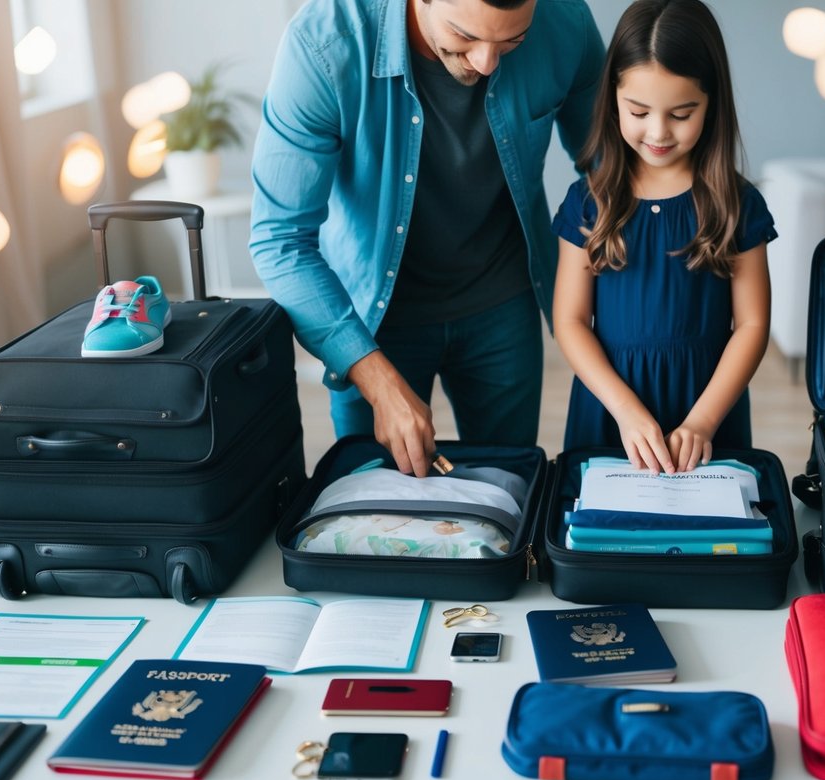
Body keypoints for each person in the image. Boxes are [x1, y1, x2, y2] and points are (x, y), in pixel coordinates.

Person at [250, 0, 604, 476]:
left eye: (511, 42)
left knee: (506, 489)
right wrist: (375, 377)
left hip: (503, 305)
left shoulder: (566, 24)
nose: (486, 63)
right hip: (371, 318)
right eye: (465, 36)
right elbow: (280, 239)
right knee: (374, 505)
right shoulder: (323, 46)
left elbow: (612, 169)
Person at [552, 0, 775, 475]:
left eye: (681, 113)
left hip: (707, 407)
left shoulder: (737, 203)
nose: (658, 132)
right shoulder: (588, 201)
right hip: (610, 407)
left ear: (712, 103)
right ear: (612, 97)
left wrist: (704, 421)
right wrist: (627, 412)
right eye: (638, 111)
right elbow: (570, 321)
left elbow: (752, 325)